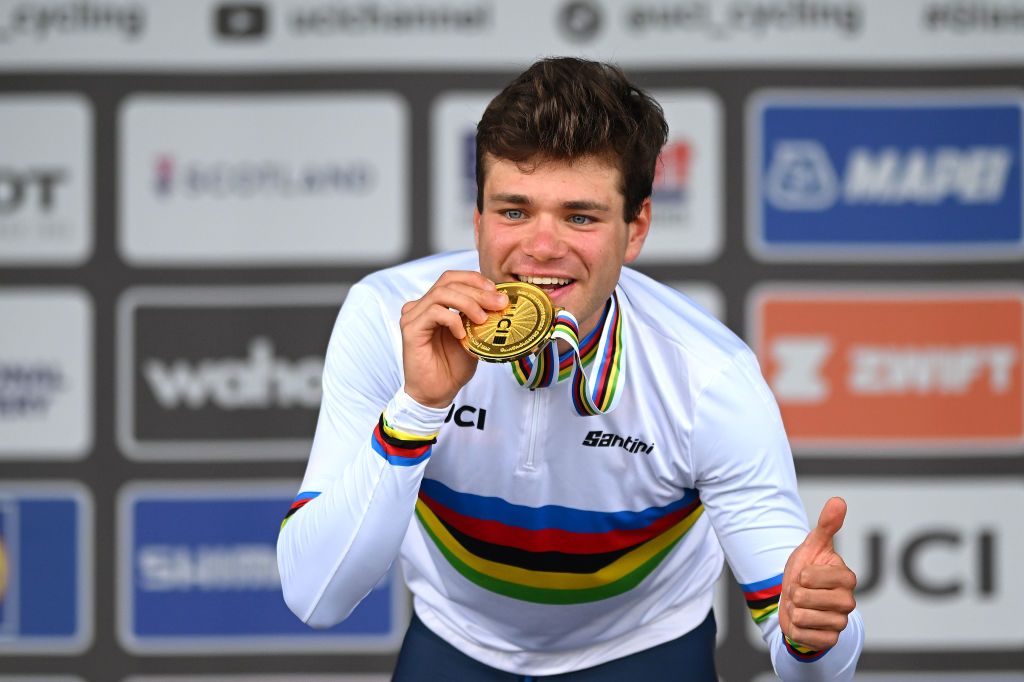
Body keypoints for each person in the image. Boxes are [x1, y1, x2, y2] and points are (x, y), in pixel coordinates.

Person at [277, 57, 864, 681]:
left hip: (643, 651)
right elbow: (316, 597)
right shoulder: (386, 319)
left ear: (634, 229)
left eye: (580, 216)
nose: (541, 246)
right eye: (513, 211)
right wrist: (416, 410)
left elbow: (815, 669)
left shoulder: (708, 379)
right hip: (458, 643)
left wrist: (810, 638)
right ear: (477, 219)